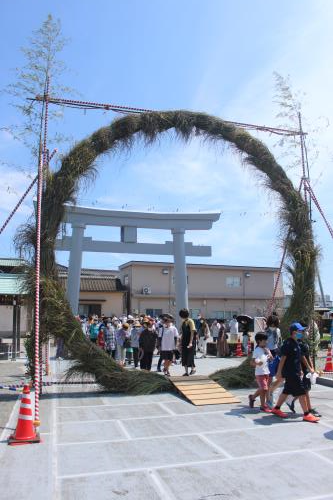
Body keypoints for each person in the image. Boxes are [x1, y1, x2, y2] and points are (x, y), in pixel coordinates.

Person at [271, 323, 320, 422]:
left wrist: (301, 370)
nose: (302, 333)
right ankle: (307, 414)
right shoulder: (288, 344)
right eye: (300, 331)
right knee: (302, 392)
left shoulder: (296, 343)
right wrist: (279, 372)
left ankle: (276, 409)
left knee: (286, 391)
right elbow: (282, 359)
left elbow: (297, 359)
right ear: (294, 332)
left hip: (294, 372)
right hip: (291, 373)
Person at [248, 332, 273, 412]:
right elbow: (251, 362)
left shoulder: (267, 349)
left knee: (263, 389)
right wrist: (257, 363)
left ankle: (252, 397)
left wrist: (269, 355)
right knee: (264, 389)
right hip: (259, 373)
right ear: (259, 341)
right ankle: (263, 406)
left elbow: (272, 359)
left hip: (267, 372)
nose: (266, 342)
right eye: (264, 340)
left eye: (266, 340)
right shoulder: (257, 350)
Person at [179, 308, 196, 376]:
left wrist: (191, 342)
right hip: (184, 341)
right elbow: (182, 333)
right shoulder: (183, 322)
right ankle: (186, 372)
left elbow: (192, 332)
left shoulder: (190, 321)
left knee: (190, 356)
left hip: (190, 341)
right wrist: (180, 342)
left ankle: (193, 369)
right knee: (184, 356)